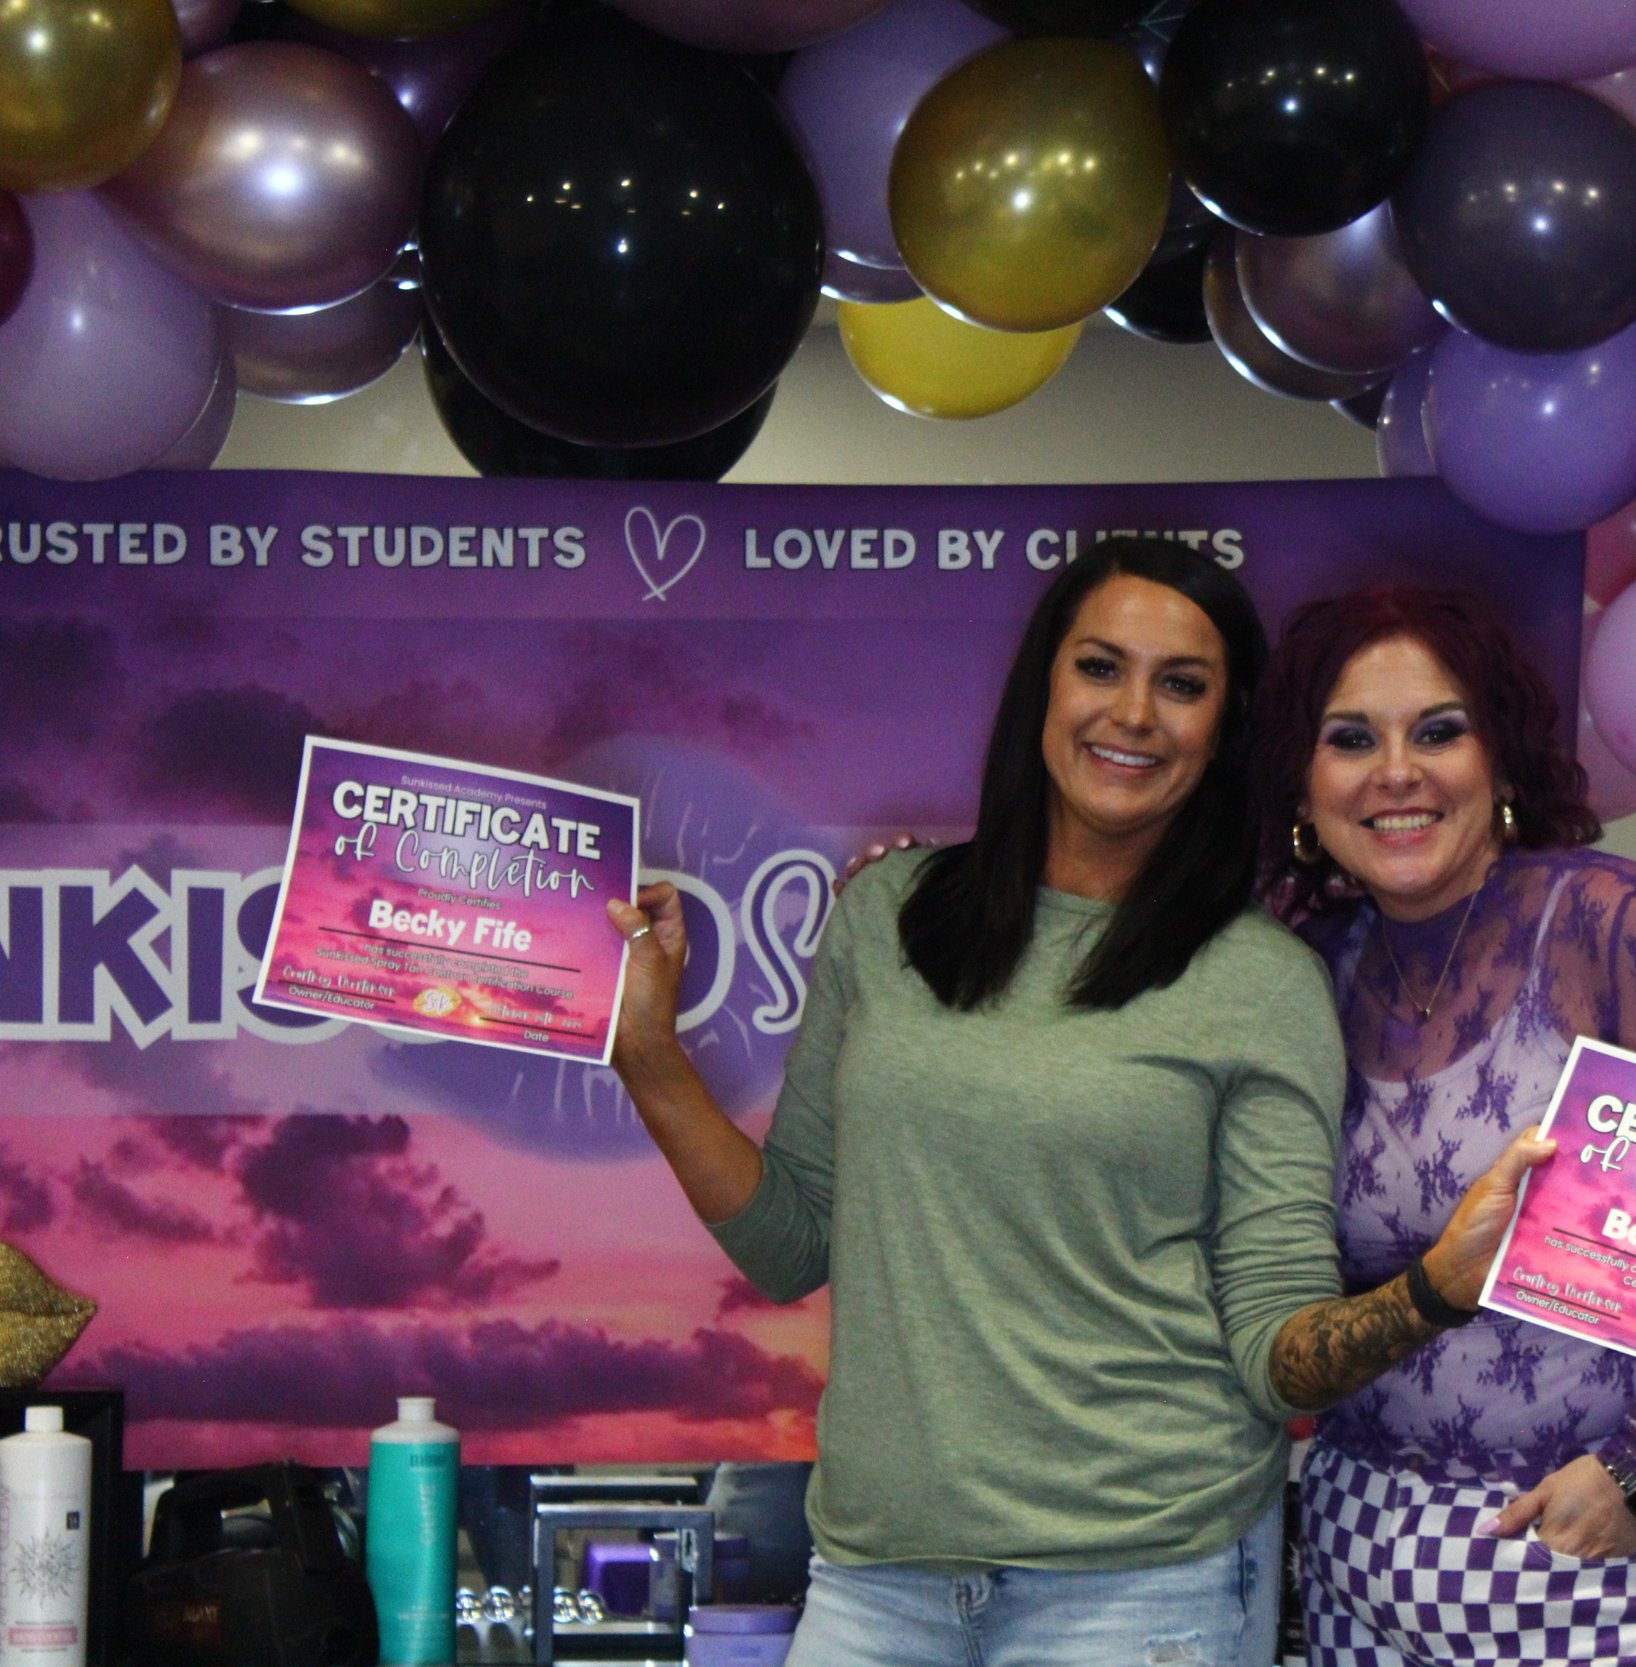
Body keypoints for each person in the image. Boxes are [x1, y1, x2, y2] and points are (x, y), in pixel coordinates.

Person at [604, 540, 1550, 1667]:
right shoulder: (888, 913)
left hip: (1141, 1588)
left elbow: (1273, 1348)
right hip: (875, 1577)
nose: (1134, 712)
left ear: (1226, 727)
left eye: (1182, 684)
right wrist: (649, 1057)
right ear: (1042, 687)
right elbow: (791, 1243)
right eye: (1101, 666)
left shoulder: (1258, 980)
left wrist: (1434, 1287)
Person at [1249, 586, 1636, 1667]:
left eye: (1438, 731)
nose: (1396, 772)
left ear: (1501, 762)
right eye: (1351, 738)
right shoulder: (1309, 967)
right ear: (1302, 784)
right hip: (1358, 1549)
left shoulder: (1615, 924)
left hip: (1591, 1553)